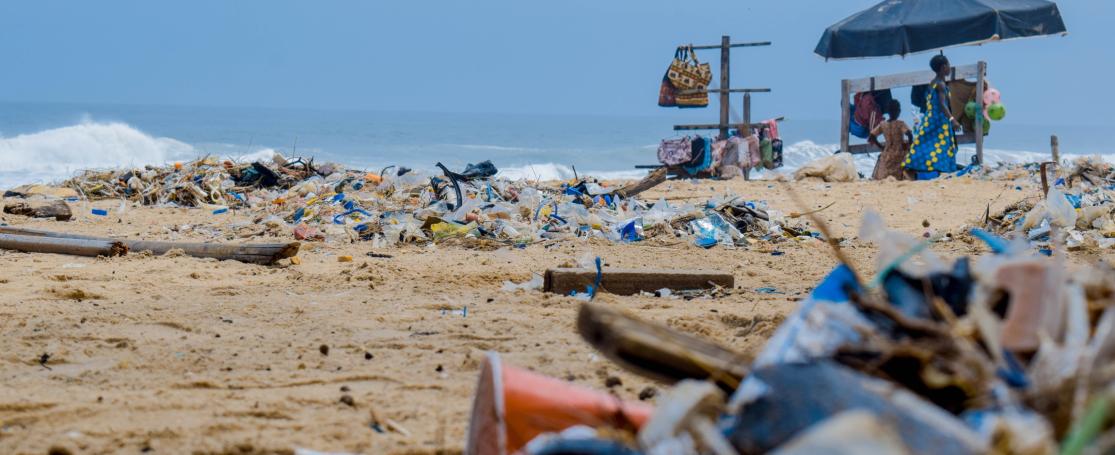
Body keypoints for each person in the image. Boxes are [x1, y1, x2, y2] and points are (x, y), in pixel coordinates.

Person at [905, 54, 961, 177]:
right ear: (943, 67)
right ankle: (942, 171)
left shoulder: (932, 83)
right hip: (939, 120)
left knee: (926, 144)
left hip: (929, 119)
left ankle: (917, 168)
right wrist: (952, 119)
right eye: (948, 65)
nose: (950, 68)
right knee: (942, 146)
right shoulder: (940, 84)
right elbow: (942, 104)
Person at [870, 100, 913, 180]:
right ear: (899, 111)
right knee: (902, 171)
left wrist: (881, 147)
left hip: (887, 152)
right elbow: (909, 134)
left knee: (883, 174)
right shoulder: (900, 124)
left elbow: (871, 136)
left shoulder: (883, 124)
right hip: (899, 152)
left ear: (888, 111)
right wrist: (909, 147)